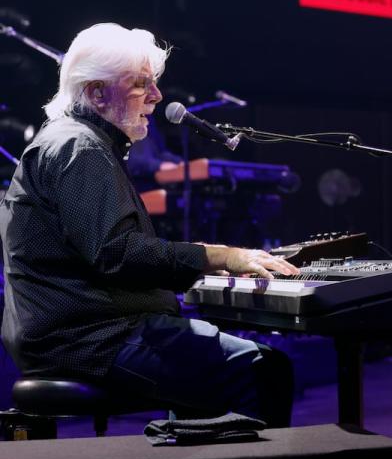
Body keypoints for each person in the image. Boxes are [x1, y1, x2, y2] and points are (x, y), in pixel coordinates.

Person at [0, 23, 300, 426]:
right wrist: (221, 257)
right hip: (90, 340)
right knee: (264, 369)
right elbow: (117, 253)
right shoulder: (79, 148)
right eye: (142, 85)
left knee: (208, 363)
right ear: (96, 93)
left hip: (88, 332)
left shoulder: (80, 142)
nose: (157, 97)